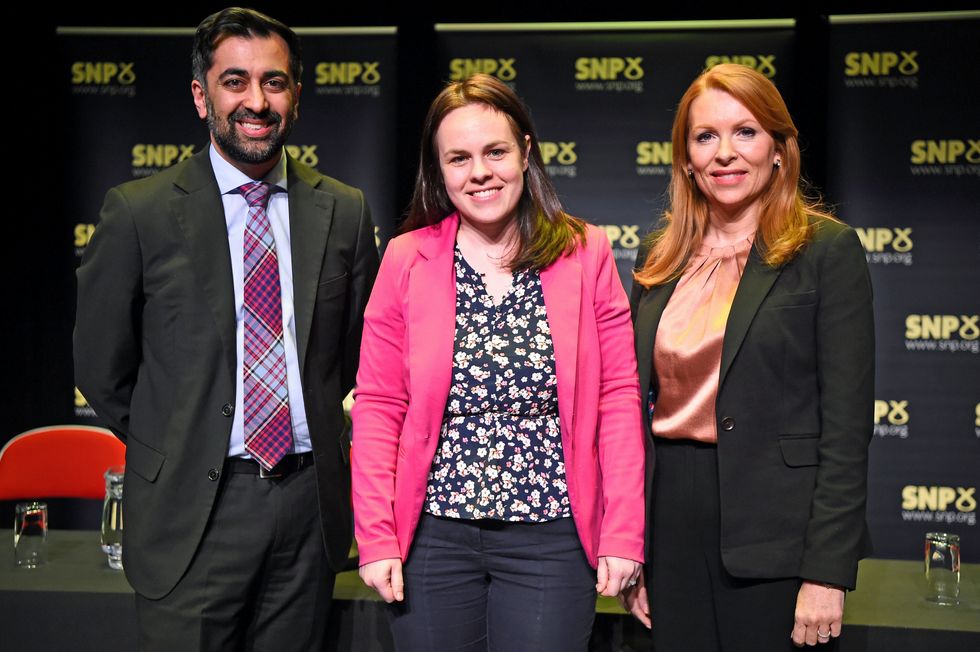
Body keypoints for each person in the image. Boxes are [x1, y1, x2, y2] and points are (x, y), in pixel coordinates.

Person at [74, 7, 379, 650]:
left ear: (296, 94)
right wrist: (181, 438)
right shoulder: (139, 212)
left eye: (274, 82)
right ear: (201, 94)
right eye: (235, 81)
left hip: (307, 509)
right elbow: (102, 368)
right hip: (192, 510)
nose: (256, 101)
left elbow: (358, 356)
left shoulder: (344, 210)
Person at [351, 73, 645, 651]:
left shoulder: (587, 252)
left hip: (553, 538)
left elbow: (618, 400)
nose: (479, 172)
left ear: (526, 151)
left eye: (495, 152)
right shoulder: (406, 260)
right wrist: (377, 537)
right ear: (439, 170)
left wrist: (624, 532)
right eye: (458, 158)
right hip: (433, 538)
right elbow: (380, 405)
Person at [622, 63, 874, 650]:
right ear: (686, 158)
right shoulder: (659, 256)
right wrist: (634, 548)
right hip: (670, 526)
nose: (725, 153)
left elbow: (846, 428)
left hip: (776, 533)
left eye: (746, 132)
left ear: (780, 149)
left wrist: (826, 572)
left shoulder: (826, 250)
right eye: (705, 136)